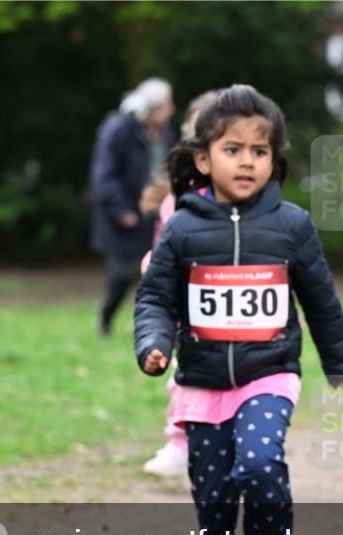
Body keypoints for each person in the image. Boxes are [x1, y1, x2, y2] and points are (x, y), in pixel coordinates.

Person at [134, 85, 343, 535]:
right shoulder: (182, 229)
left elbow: (320, 297)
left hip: (269, 372)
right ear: (203, 159)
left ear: (273, 162)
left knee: (259, 463)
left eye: (259, 152)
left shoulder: (292, 227)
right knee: (211, 488)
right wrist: (153, 343)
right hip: (203, 381)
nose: (246, 161)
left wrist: (339, 360)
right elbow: (156, 298)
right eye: (232, 150)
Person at [140, 90, 218, 479]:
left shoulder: (250, 197)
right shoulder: (177, 195)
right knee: (183, 374)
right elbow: (163, 247)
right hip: (185, 300)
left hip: (229, 305)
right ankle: (179, 441)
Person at [90, 77, 176, 336]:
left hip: (156, 213)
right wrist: (122, 210)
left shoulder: (166, 133)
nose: (172, 109)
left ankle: (151, 328)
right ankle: (105, 317)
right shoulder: (119, 129)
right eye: (168, 104)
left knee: (155, 274)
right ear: (153, 107)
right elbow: (104, 176)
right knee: (121, 274)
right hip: (122, 216)